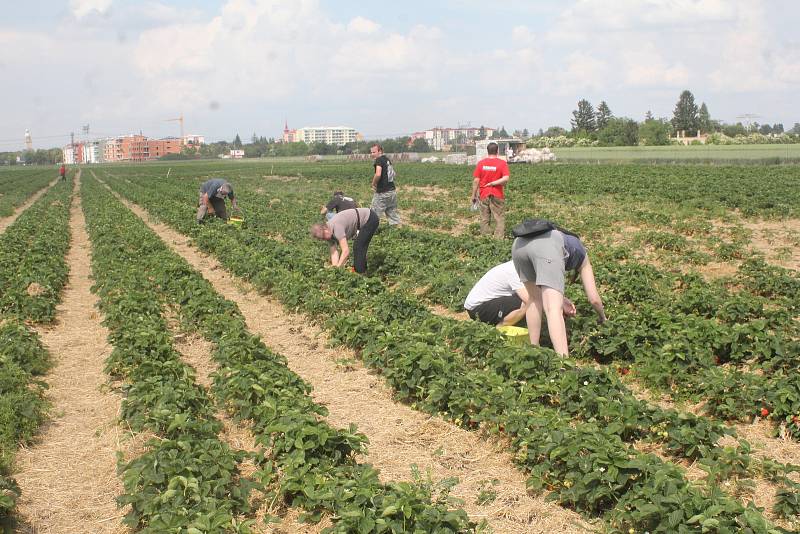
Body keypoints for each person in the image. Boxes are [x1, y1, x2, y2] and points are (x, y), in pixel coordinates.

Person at [511, 228, 606, 355]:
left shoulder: (559, 236)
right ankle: (564, 363)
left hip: (519, 246)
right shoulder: (582, 254)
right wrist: (603, 318)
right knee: (553, 309)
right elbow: (594, 299)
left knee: (533, 299)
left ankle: (533, 350)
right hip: (546, 247)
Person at [310, 207, 379, 274]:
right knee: (359, 246)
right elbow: (334, 252)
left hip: (370, 218)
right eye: (322, 239)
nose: (325, 239)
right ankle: (361, 269)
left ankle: (360, 273)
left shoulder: (336, 227)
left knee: (358, 246)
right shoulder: (328, 233)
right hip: (363, 221)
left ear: (325, 229)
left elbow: (346, 251)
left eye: (323, 236)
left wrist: (338, 268)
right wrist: (335, 269)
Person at [471, 142, 509, 239]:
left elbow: (476, 181)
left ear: (487, 151)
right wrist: (494, 183)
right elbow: (506, 178)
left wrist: (473, 195)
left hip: (483, 194)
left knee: (484, 218)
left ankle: (486, 238)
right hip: (497, 194)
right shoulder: (502, 163)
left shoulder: (481, 163)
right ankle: (498, 239)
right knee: (499, 217)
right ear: (497, 151)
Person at [369, 144, 401, 225]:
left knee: (373, 214)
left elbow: (378, 174)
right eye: (371, 152)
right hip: (392, 191)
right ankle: (397, 230)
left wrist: (373, 183)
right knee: (392, 212)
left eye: (374, 152)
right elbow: (394, 173)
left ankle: (370, 232)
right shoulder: (387, 159)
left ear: (380, 151)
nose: (372, 154)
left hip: (382, 192)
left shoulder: (379, 160)